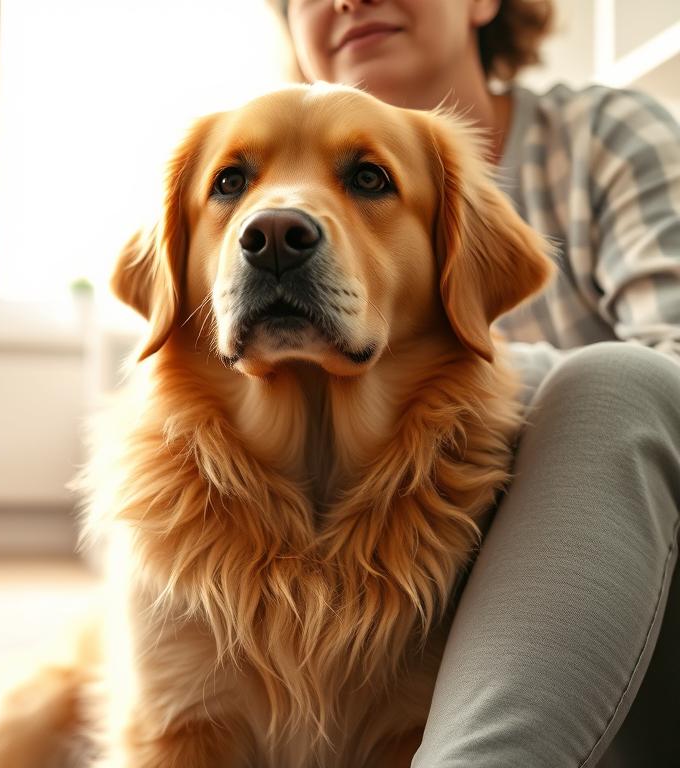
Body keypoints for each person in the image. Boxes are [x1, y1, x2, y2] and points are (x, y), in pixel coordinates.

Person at [266, 1, 680, 766]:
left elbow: (673, 368)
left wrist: (458, 391)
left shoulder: (606, 138)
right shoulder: (271, 222)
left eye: (368, 179)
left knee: (619, 382)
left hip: (648, 627)